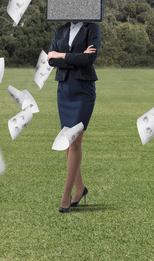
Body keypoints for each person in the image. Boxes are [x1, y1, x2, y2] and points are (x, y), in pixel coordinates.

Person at [47, 20, 100, 213]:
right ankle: (80, 188)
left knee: (75, 142)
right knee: (67, 142)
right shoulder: (60, 30)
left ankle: (65, 196)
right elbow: (50, 61)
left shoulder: (92, 28)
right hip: (64, 89)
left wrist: (61, 55)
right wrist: (73, 56)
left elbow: (89, 60)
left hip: (83, 90)